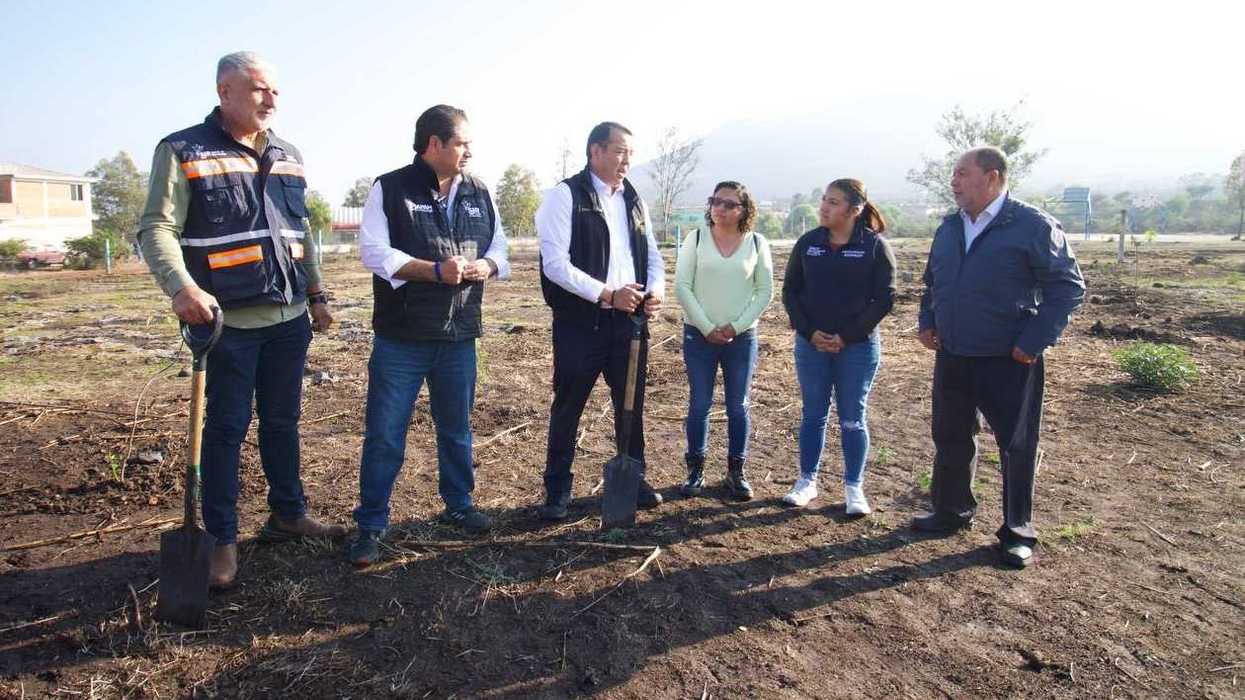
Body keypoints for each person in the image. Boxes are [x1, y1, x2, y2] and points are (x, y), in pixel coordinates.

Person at [137, 51, 344, 589]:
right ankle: (222, 540)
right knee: (226, 431)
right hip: (226, 324)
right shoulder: (183, 150)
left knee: (282, 421)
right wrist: (181, 287)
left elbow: (301, 235)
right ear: (224, 91)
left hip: (290, 319)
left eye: (275, 91)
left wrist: (317, 294)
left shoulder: (288, 154)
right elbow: (156, 227)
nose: (271, 100)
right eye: (258, 90)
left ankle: (288, 513)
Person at [349, 105, 510, 565]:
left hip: (459, 336)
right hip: (402, 338)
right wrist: (433, 271)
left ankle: (458, 506)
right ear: (433, 144)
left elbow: (500, 247)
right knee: (385, 434)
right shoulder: (391, 187)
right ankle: (372, 524)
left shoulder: (480, 190)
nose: (469, 151)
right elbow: (374, 252)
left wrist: (488, 266)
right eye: (461, 143)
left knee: (456, 430)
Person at [914, 146, 1085, 568]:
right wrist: (927, 319)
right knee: (950, 436)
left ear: (992, 178)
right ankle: (951, 511)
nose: (953, 181)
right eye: (953, 174)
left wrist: (1033, 341)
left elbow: (1068, 288)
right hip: (953, 353)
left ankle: (1017, 532)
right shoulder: (951, 228)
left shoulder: (1032, 226)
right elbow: (931, 281)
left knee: (1016, 444)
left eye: (961, 173)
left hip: (1009, 357)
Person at [536, 121, 666, 521]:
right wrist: (608, 294)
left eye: (630, 152)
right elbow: (556, 265)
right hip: (581, 323)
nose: (626, 159)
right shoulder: (566, 196)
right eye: (619, 150)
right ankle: (557, 489)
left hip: (629, 323)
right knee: (569, 406)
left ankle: (633, 476)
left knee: (630, 405)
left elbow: (653, 256)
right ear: (595, 151)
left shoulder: (633, 199)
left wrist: (655, 291)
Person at [781, 179, 896, 515]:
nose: (824, 207)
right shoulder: (808, 243)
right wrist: (810, 331)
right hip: (811, 345)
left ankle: (853, 488)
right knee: (813, 415)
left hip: (857, 349)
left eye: (833, 202)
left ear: (854, 210)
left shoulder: (874, 247)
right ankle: (806, 482)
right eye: (824, 200)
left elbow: (884, 299)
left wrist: (847, 336)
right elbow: (791, 292)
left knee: (852, 418)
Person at [674, 181, 773, 500]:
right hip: (698, 337)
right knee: (699, 403)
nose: (721, 208)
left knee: (738, 405)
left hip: (741, 338)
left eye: (730, 204)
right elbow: (682, 286)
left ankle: (736, 472)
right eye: (716, 201)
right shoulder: (696, 238)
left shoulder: (757, 243)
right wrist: (706, 326)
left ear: (744, 210)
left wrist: (737, 326)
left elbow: (764, 291)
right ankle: (695, 470)